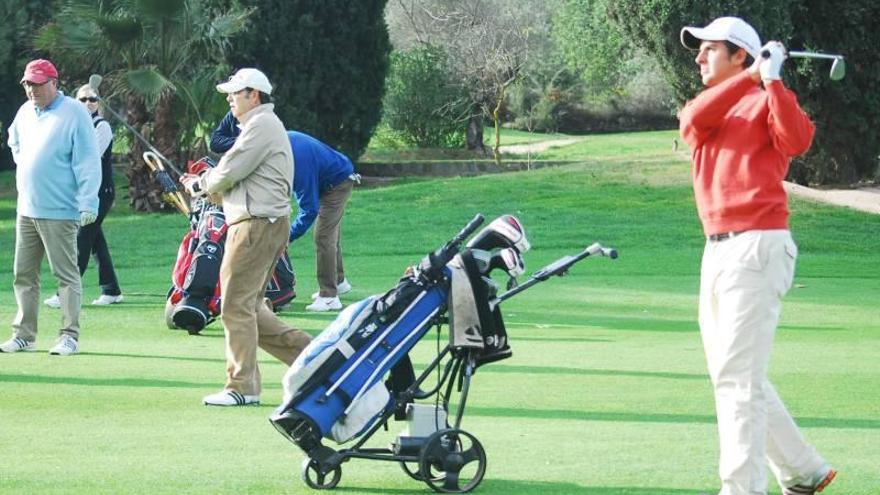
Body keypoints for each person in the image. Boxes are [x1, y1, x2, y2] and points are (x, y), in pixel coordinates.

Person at [678, 17, 836, 495]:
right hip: (717, 249)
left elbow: (798, 140)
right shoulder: (709, 105)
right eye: (699, 50)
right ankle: (804, 469)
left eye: (710, 49)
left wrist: (773, 81)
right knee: (733, 373)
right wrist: (752, 77)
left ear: (740, 54)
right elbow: (691, 122)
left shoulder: (769, 100)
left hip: (758, 245)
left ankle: (741, 489)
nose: (700, 57)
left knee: (736, 379)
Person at [180, 68, 312, 406]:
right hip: (262, 223)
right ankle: (313, 359)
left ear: (253, 95)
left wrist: (201, 183)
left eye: (235, 93)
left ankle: (242, 387)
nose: (229, 99)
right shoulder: (260, 126)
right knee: (250, 306)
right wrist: (209, 183)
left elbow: (231, 169)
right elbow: (236, 177)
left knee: (235, 305)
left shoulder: (261, 125)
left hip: (254, 226)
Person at [0, 59, 101, 356]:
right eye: (28, 84)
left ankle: (69, 336)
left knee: (66, 276)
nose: (32, 89)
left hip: (60, 210)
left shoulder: (74, 112)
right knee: (24, 274)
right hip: (28, 208)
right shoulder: (25, 112)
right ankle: (24, 335)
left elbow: (87, 160)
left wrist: (88, 201)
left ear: (54, 83)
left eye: (38, 83)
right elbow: (14, 141)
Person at [211, 119, 357, 312]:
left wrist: (287, 237)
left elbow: (309, 209)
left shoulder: (296, 161)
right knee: (329, 234)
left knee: (323, 236)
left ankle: (329, 296)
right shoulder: (278, 146)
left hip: (338, 183)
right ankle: (338, 281)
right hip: (328, 177)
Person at [44, 83, 123, 309]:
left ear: (99, 103)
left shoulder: (102, 126)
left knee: (81, 240)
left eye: (93, 99)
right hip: (82, 194)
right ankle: (111, 290)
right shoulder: (74, 126)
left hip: (99, 193)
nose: (88, 103)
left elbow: (88, 157)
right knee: (95, 240)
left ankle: (65, 294)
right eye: (83, 99)